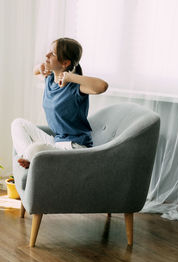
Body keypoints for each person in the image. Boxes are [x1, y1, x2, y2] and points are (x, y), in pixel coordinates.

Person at [11, 37, 108, 169]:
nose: (47, 55)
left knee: (36, 148)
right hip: (57, 142)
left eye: (53, 53)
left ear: (65, 63)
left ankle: (30, 158)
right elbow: (35, 71)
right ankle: (29, 158)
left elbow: (102, 86)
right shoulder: (50, 79)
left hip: (74, 147)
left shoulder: (76, 87)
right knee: (18, 124)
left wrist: (71, 77)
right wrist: (40, 67)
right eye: (49, 51)